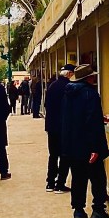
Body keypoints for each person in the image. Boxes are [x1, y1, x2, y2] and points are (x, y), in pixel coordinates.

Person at [60, 64, 109, 218]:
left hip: (73, 143)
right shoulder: (90, 94)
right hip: (89, 144)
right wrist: (95, 147)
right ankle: (98, 209)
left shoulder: (68, 93)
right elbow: (92, 122)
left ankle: (78, 210)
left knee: (78, 177)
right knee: (98, 178)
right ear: (88, 78)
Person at [44, 64, 73, 192]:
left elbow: (46, 104)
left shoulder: (52, 86)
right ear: (69, 74)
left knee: (53, 155)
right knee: (65, 155)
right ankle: (60, 184)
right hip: (64, 127)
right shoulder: (69, 87)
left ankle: (50, 182)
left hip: (51, 126)